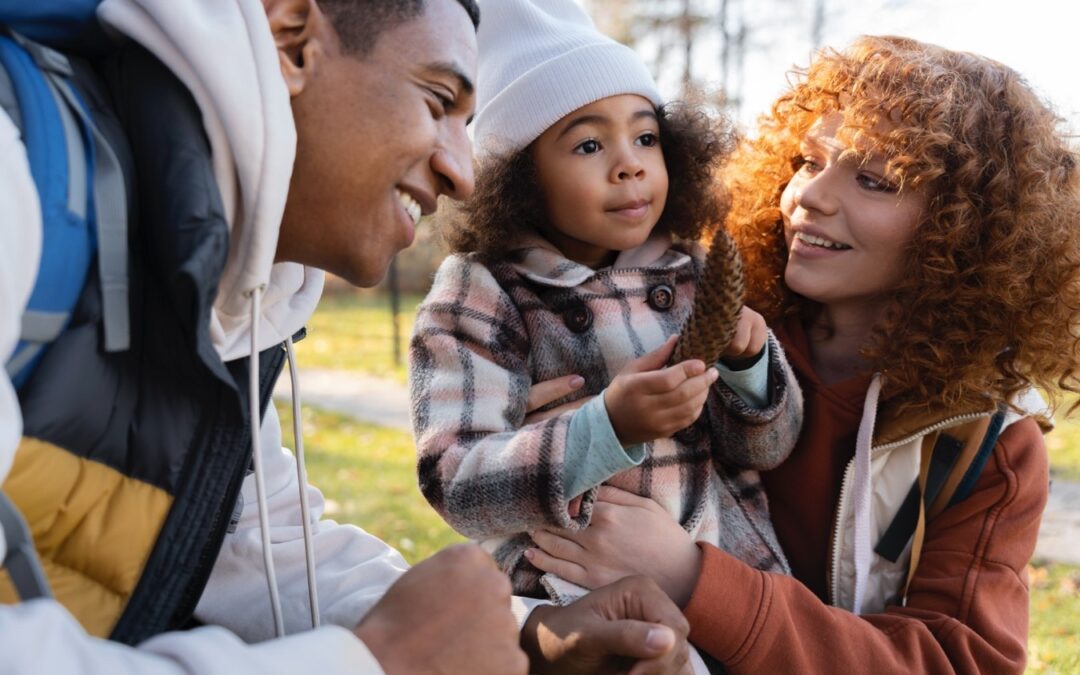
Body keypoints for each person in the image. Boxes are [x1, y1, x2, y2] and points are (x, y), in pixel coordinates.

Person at [0, 1, 694, 673]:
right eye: (437, 100)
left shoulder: (230, 306)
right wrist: (374, 663)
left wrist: (531, 638)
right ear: (294, 39)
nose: (463, 172)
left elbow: (265, 551)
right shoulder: (16, 183)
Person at [524, 35, 1080, 672]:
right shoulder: (695, 323)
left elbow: (958, 660)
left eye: (875, 180)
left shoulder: (984, 445)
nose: (809, 196)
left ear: (965, 228)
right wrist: (545, 434)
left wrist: (692, 578)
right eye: (811, 161)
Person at [409, 0, 801, 611]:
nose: (630, 165)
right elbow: (456, 483)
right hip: (573, 595)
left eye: (646, 136)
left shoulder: (693, 272)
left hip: (727, 577)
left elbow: (769, 451)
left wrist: (748, 370)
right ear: (520, 176)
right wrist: (606, 428)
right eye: (589, 146)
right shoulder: (481, 292)